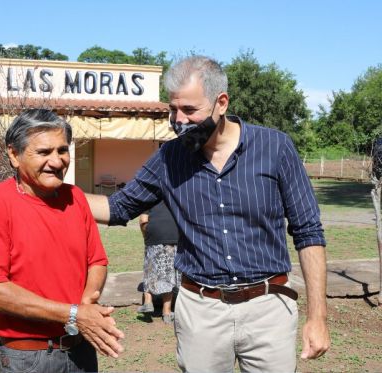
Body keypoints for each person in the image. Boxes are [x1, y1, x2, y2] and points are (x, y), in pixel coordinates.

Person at [86, 56, 330, 372]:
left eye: (190, 110)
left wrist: (318, 317)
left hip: (269, 307)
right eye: (173, 110)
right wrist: (50, 188)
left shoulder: (276, 148)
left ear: (221, 103)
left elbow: (309, 232)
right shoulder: (168, 158)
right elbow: (117, 208)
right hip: (200, 311)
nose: (180, 120)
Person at [0, 109, 124, 373]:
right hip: (29, 358)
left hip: (80, 347)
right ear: (14, 155)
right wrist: (74, 314)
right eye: (44, 152)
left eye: (62, 150)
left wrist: (85, 307)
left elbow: (97, 261)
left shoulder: (75, 197)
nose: (57, 161)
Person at [137, 200, 180, 324]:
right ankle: (166, 313)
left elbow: (143, 220)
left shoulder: (150, 198)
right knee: (168, 273)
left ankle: (148, 302)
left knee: (150, 269)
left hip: (154, 235)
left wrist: (146, 237)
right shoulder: (174, 196)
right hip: (173, 236)